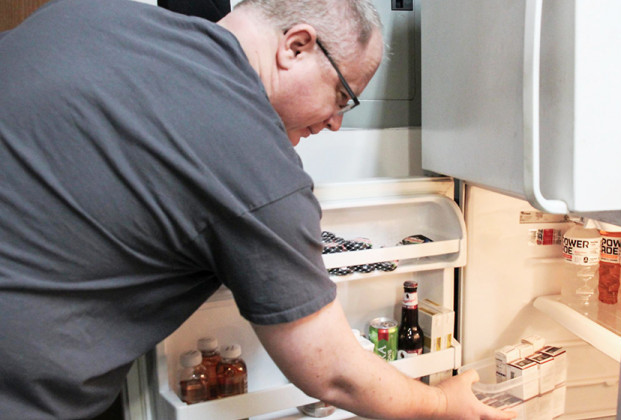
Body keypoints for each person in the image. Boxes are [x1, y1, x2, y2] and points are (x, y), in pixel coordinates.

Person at [0, 0, 516, 419]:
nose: (335, 123)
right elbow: (334, 374)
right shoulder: (256, 166)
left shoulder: (80, 17)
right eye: (342, 96)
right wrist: (441, 403)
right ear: (296, 46)